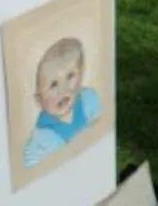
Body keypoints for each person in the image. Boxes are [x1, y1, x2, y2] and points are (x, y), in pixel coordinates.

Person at [24, 37, 103, 168]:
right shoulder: (41, 139)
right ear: (39, 101)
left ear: (81, 75)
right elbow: (32, 170)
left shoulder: (89, 99)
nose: (63, 89)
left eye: (70, 76)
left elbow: (102, 128)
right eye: (53, 85)